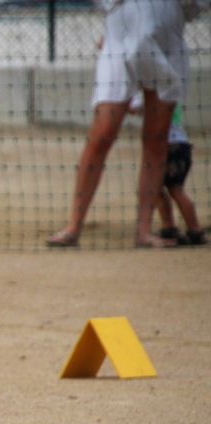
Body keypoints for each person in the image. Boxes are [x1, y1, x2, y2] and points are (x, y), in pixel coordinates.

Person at [46, 0, 189, 248]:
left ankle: (143, 231)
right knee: (101, 135)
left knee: (156, 140)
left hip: (165, 36)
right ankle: (74, 226)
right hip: (120, 37)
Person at [155, 105, 206, 245]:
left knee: (174, 189)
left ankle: (194, 230)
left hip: (170, 146)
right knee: (158, 189)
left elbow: (135, 106)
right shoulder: (171, 94)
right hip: (179, 146)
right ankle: (170, 228)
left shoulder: (158, 94)